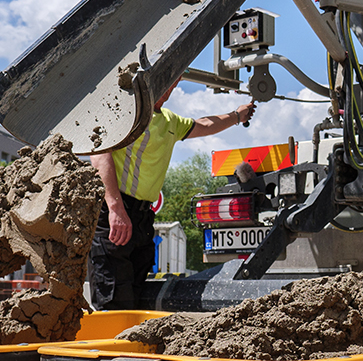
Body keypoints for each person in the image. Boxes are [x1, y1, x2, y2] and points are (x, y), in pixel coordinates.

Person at [88, 81, 256, 310]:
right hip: (115, 213)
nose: (169, 90)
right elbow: (99, 152)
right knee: (113, 299)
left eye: (173, 85)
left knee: (134, 299)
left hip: (141, 218)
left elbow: (205, 124)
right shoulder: (125, 114)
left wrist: (237, 116)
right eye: (166, 83)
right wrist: (116, 208)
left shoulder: (170, 121)